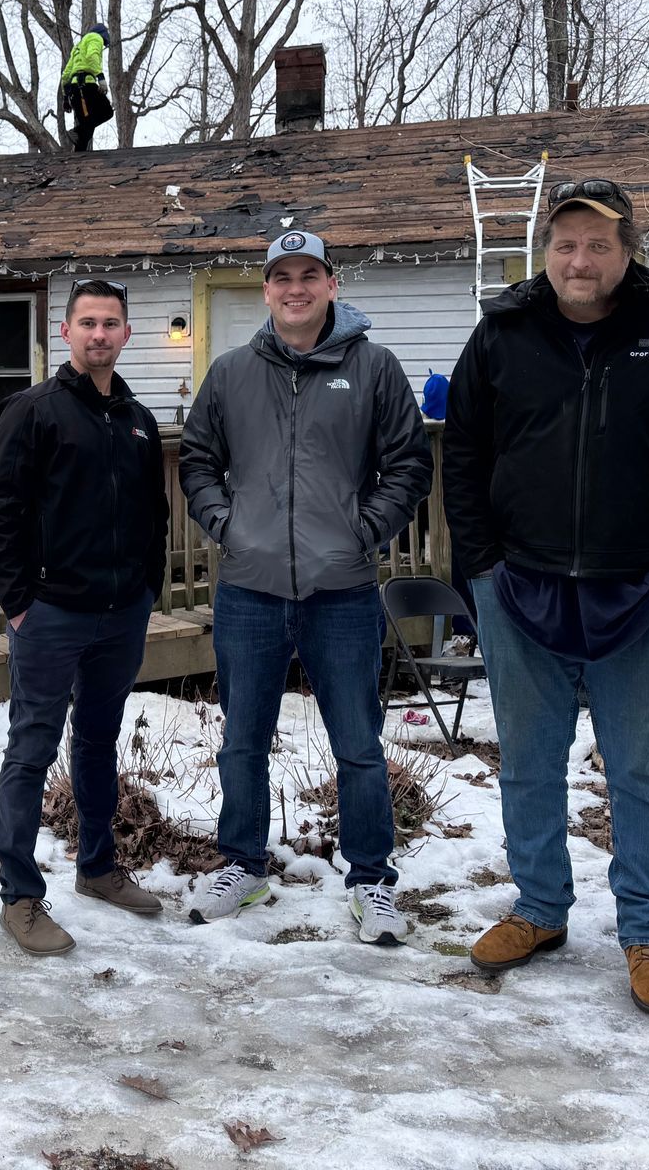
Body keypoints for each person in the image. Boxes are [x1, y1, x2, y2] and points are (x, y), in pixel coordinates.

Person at [442, 177, 649, 1017]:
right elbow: (462, 454)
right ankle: (540, 909)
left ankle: (648, 930)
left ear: (627, 251)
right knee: (530, 764)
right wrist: (482, 570)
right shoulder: (503, 332)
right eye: (567, 244)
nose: (581, 260)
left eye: (599, 245)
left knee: (643, 769)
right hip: (521, 588)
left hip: (643, 588)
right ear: (548, 251)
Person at [179, 231, 433, 943]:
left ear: (331, 284)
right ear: (266, 290)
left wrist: (364, 529)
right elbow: (198, 460)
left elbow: (410, 463)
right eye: (282, 276)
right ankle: (242, 865)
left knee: (358, 743)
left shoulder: (374, 368)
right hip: (249, 588)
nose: (296, 288)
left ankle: (372, 881)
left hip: (343, 590)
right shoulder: (231, 373)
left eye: (309, 275)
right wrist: (228, 526)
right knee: (243, 741)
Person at [0, 278, 169, 956]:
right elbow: (0, 510)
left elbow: (155, 513)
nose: (99, 334)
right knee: (31, 748)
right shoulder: (33, 412)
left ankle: (97, 868)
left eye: (110, 322)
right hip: (52, 613)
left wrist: (148, 588)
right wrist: (19, 602)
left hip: (121, 615)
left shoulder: (140, 420)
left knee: (96, 742)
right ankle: (21, 897)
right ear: (65, 332)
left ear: (126, 333)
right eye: (87, 322)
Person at [59, 23, 115, 152]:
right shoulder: (95, 38)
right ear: (103, 35)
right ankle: (77, 131)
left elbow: (66, 74)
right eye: (105, 42)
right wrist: (100, 77)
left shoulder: (77, 47)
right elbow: (92, 56)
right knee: (106, 112)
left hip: (74, 91)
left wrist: (65, 98)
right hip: (86, 87)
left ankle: (77, 164)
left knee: (84, 133)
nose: (103, 45)